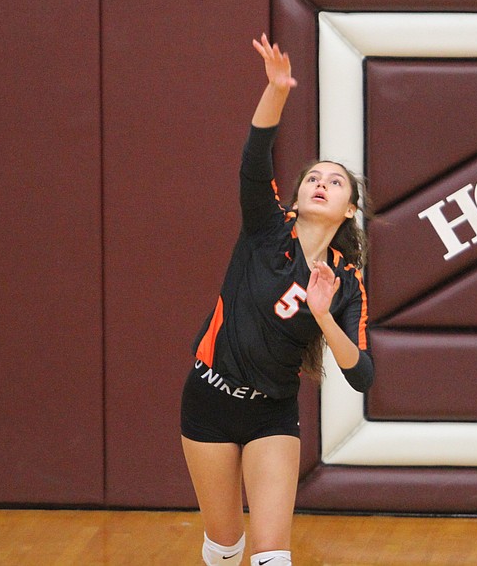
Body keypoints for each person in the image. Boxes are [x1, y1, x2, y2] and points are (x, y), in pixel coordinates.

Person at [181, 34, 375, 566]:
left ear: (348, 210)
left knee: (273, 557)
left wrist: (321, 315)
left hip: (271, 414)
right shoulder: (268, 229)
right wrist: (277, 89)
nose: (320, 183)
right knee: (224, 548)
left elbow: (362, 374)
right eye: (312, 177)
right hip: (209, 399)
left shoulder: (345, 282)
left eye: (335, 182)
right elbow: (253, 159)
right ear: (295, 197)